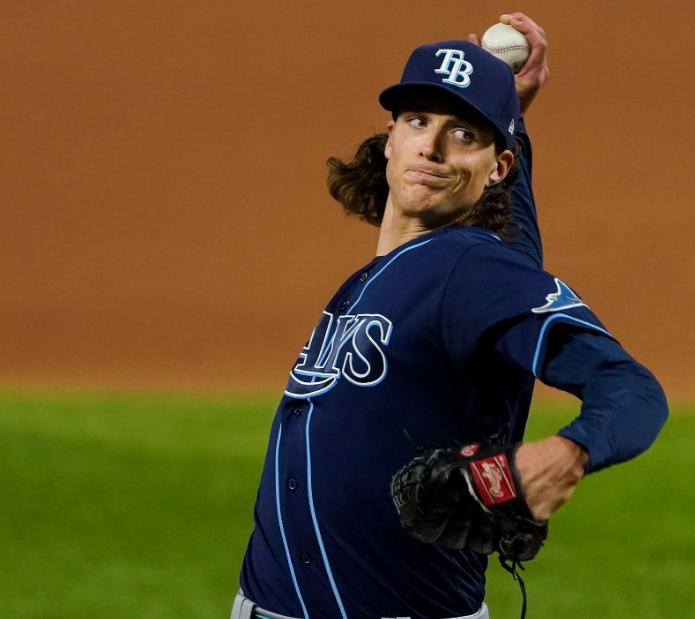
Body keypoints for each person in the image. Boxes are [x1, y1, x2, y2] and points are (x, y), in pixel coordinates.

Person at [231, 13, 667, 619]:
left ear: (498, 169)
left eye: (464, 134)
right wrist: (508, 115)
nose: (432, 147)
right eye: (418, 121)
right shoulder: (407, 270)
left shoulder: (473, 272)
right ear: (391, 139)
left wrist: (568, 453)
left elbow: (633, 389)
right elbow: (518, 239)